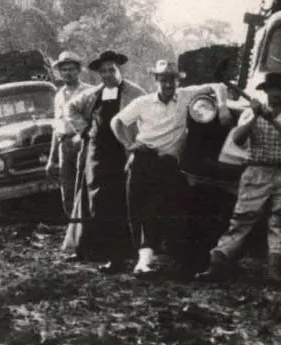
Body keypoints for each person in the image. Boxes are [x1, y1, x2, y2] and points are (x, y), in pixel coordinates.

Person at [111, 59, 224, 274]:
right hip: (144, 159)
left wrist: (224, 107)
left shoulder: (186, 96)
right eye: (163, 80)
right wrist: (129, 145)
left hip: (169, 163)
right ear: (156, 80)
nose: (168, 85)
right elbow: (116, 122)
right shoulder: (143, 102)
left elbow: (220, 86)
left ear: (177, 81)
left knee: (172, 208)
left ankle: (173, 259)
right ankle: (143, 262)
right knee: (140, 210)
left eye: (172, 80)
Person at [198, 71, 281, 284]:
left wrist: (271, 119)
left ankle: (274, 270)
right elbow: (238, 139)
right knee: (242, 219)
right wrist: (255, 116)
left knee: (279, 221)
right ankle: (216, 264)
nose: (278, 93)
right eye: (273, 89)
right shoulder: (251, 113)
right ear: (266, 92)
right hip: (256, 170)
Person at [62, 50, 146, 268]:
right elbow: (70, 107)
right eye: (103, 72)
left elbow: (147, 116)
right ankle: (104, 252)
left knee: (124, 200)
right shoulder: (93, 94)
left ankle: (130, 252)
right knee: (98, 201)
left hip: (123, 152)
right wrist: (84, 129)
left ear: (119, 70)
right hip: (98, 154)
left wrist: (138, 141)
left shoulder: (135, 92)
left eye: (112, 70)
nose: (108, 75)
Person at [43, 50, 95, 220]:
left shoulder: (90, 92)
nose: (67, 73)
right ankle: (74, 229)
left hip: (84, 143)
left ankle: (92, 230)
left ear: (79, 70)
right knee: (68, 190)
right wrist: (52, 159)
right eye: (63, 69)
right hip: (64, 146)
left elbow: (95, 122)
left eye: (71, 69)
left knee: (87, 185)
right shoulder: (58, 96)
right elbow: (57, 128)